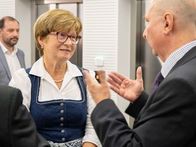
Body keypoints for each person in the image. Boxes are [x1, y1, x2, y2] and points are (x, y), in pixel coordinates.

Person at [84, 0, 196, 147]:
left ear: (167, 23)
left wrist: (103, 102)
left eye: (148, 22)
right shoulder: (189, 69)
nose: (144, 33)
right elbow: (173, 125)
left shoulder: (181, 83)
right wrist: (140, 100)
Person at [9, 9, 99, 147]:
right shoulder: (22, 79)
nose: (69, 43)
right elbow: (18, 129)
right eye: (62, 35)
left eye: (73, 37)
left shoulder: (87, 77)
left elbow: (93, 124)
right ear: (41, 39)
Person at [0, 16, 26, 85]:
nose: (15, 34)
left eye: (17, 30)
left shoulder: (20, 54)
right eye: (11, 30)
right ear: (0, 31)